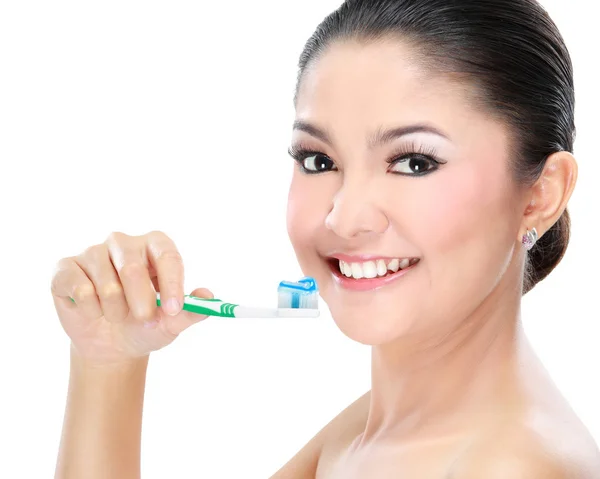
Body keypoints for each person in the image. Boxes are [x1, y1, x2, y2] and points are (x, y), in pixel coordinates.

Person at [52, 0, 600, 477]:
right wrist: (107, 362)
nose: (343, 217)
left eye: (413, 162)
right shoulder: (382, 429)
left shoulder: (508, 467)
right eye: (319, 160)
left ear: (540, 196)